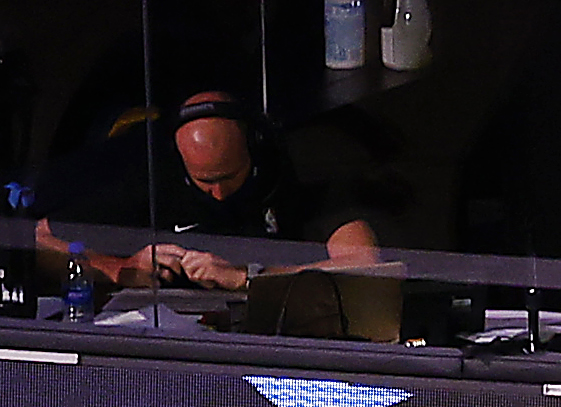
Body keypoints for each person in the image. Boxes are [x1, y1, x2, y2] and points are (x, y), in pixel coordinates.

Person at [35, 88, 375, 290]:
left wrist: (247, 278)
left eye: (229, 176)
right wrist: (120, 269)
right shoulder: (156, 180)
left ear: (253, 149)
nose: (218, 194)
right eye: (205, 182)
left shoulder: (293, 170)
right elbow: (41, 239)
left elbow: (367, 266)